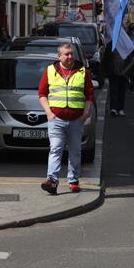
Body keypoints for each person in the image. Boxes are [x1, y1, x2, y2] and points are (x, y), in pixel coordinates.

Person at [38, 43, 95, 195]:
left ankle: (73, 181)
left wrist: (86, 112)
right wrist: (49, 113)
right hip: (56, 119)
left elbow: (90, 94)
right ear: (59, 56)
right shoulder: (50, 70)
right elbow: (42, 94)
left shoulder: (82, 70)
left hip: (76, 119)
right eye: (66, 54)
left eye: (71, 54)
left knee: (75, 151)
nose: (70, 57)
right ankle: (52, 181)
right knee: (55, 149)